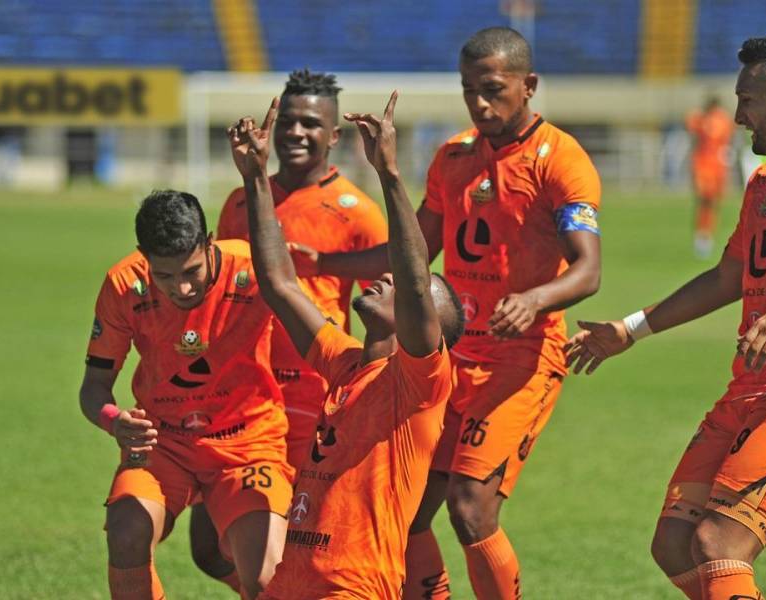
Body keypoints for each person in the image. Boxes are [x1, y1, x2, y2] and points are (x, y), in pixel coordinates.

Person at [297, 26, 602, 599]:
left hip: (520, 360)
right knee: (409, 508)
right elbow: (414, 254)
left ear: (529, 85)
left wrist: (535, 299)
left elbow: (589, 269)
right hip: (448, 358)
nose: (480, 103)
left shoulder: (561, 160)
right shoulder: (453, 156)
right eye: (469, 90)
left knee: (470, 508)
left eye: (493, 89)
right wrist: (318, 261)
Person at [566, 33, 766, 600]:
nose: (735, 117)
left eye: (747, 100)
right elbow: (729, 277)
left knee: (719, 544)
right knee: (675, 544)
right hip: (751, 384)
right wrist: (631, 328)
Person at [227, 92, 464, 598]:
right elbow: (279, 284)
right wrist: (254, 177)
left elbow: (417, 282)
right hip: (291, 583)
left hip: (351, 588)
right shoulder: (346, 364)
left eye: (399, 285)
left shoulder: (419, 385)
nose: (386, 280)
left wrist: (390, 175)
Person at [190, 68, 388, 591]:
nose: (296, 133)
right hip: (244, 396)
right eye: (288, 123)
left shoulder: (357, 213)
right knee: (209, 548)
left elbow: (387, 308)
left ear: (334, 136)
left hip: (313, 399)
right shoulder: (241, 203)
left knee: (291, 545)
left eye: (310, 124)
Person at [79, 191, 294, 599]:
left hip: (247, 441)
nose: (180, 287)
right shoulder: (124, 283)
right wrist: (113, 420)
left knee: (266, 573)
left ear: (209, 241)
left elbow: (313, 331)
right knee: (126, 531)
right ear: (144, 256)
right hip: (164, 442)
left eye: (191, 271)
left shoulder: (252, 268)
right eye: (164, 276)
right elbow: (93, 387)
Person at [686, 95, 735, 258]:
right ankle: (702, 236)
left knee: (712, 202)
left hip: (716, 165)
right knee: (704, 201)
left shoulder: (720, 120)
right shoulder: (703, 119)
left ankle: (706, 236)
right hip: (704, 165)